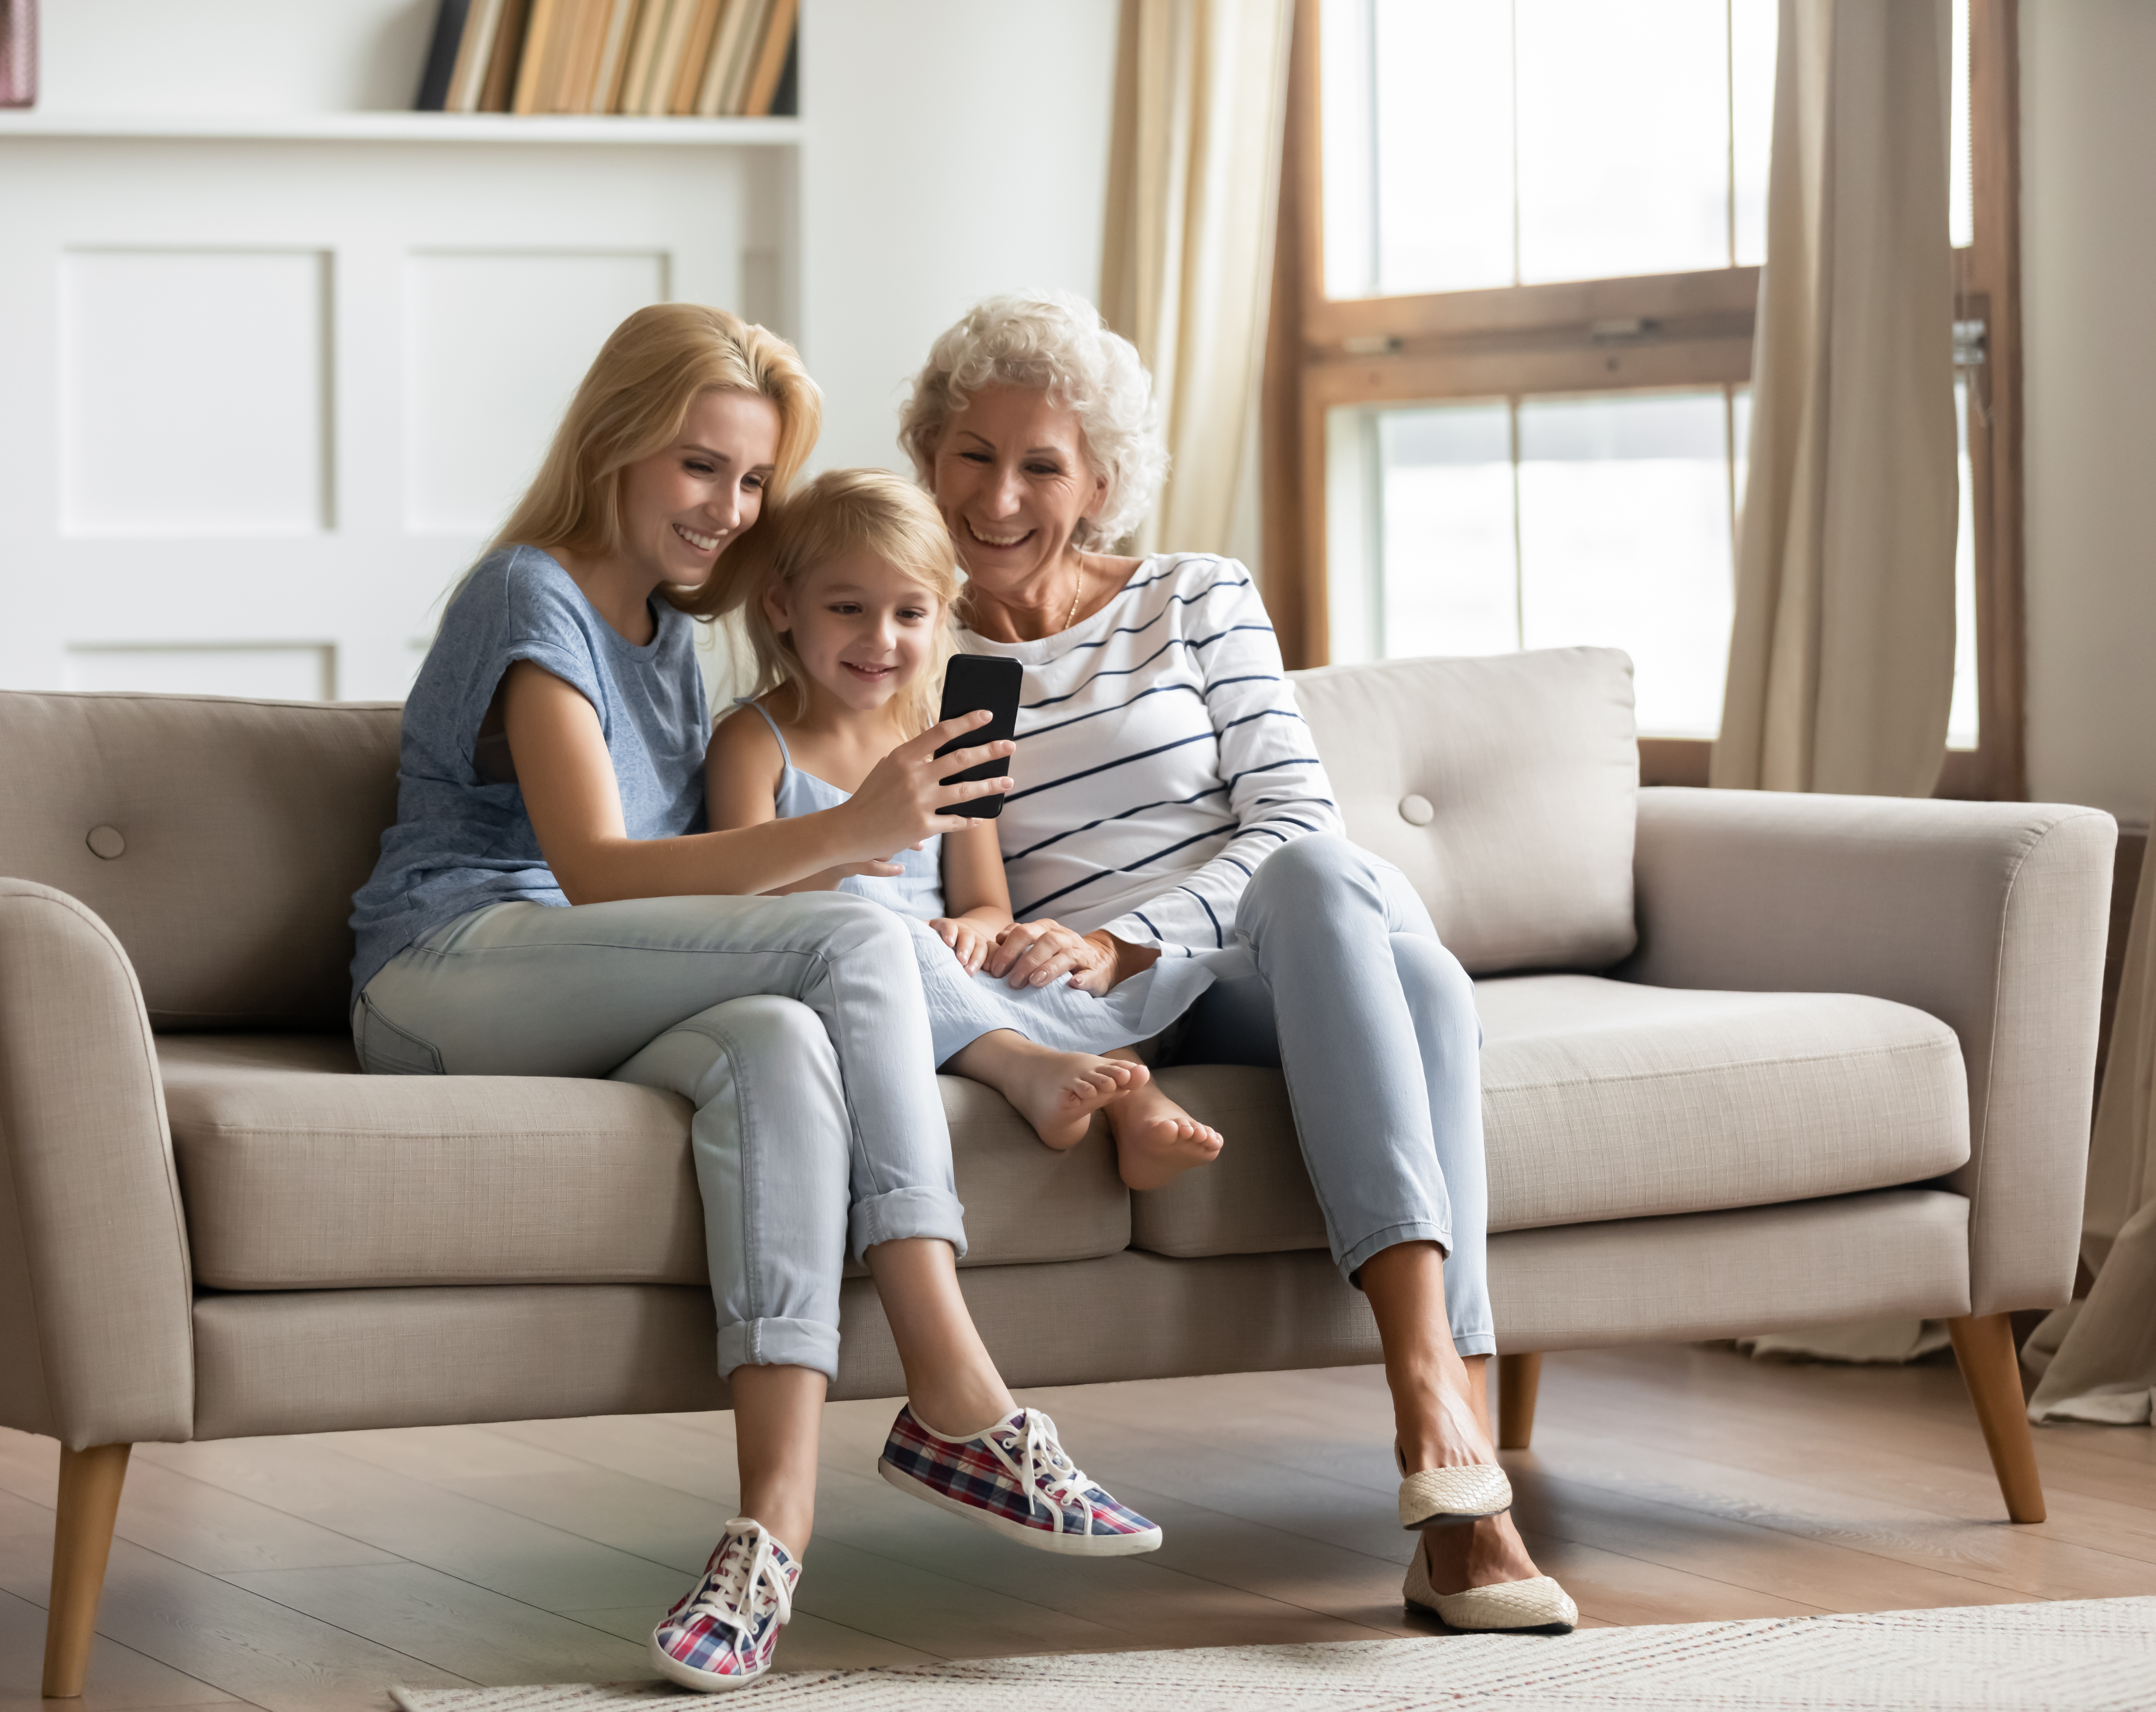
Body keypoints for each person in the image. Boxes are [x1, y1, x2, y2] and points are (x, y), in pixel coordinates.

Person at [348, 304, 1164, 1695]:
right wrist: (854, 830)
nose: (729, 510)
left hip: (591, 975)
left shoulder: (667, 635)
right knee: (847, 934)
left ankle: (768, 1531)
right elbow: (602, 875)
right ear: (614, 445)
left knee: (783, 1042)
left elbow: (686, 900)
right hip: (451, 967)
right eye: (698, 468)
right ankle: (958, 1388)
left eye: (750, 482)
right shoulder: (527, 591)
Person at [897, 289, 1578, 1635]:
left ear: (1097, 481)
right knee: (1432, 990)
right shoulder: (929, 653)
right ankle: (1457, 1485)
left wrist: (1129, 931)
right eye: (972, 453)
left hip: (1270, 954)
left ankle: (1432, 1409)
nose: (1000, 494)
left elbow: (1296, 821)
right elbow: (943, 877)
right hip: (1109, 1004)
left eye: (1042, 462)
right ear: (927, 457)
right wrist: (1080, 959)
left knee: (1325, 880)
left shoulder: (1192, 597)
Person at [706, 466, 1227, 1179]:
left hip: (945, 967)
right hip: (831, 979)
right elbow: (740, 908)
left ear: (943, 613)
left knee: (1038, 959)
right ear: (782, 606)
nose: (880, 639)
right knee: (890, 944)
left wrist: (978, 931)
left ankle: (1140, 1107)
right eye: (847, 608)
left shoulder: (950, 738)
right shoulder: (752, 741)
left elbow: (988, 902)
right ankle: (1024, 1071)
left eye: (910, 614)